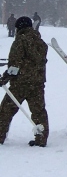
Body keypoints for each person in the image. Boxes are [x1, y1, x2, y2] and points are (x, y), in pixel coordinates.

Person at [0, 16, 49, 147]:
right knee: (39, 111)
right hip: (38, 82)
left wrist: (4, 79)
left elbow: (15, 64)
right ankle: (41, 138)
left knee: (5, 110)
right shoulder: (40, 42)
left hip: (20, 83)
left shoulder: (20, 41)